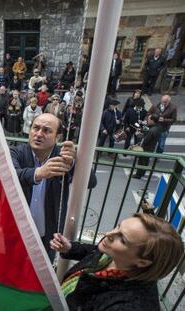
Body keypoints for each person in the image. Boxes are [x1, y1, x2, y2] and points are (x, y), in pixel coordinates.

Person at [50, 213, 183, 311]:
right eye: (118, 227)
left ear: (142, 262)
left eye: (123, 240)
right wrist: (70, 248)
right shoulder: (117, 257)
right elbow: (95, 253)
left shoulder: (128, 306)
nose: (108, 233)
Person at [10, 113, 97, 260]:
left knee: (41, 275)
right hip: (15, 231)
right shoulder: (16, 152)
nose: (39, 134)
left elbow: (91, 182)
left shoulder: (63, 157)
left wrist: (74, 163)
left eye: (46, 130)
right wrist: (39, 173)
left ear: (58, 137)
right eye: (35, 128)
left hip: (47, 234)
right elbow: (11, 176)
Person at [133, 114, 163, 179]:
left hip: (146, 148)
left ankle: (138, 175)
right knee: (145, 161)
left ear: (152, 120)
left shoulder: (152, 130)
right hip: (151, 148)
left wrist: (138, 135)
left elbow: (145, 140)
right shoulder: (157, 127)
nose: (147, 120)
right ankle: (142, 173)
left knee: (141, 162)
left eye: (149, 119)